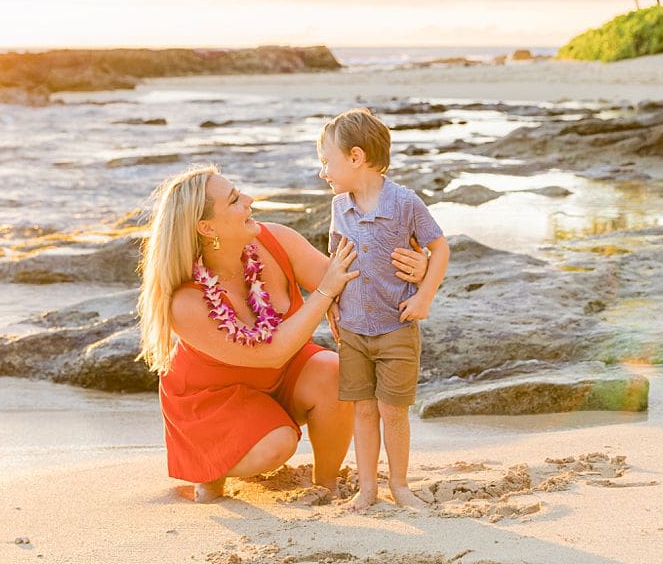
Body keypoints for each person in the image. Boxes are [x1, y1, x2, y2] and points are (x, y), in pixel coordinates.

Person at [137, 164, 429, 502]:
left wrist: (419, 269)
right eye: (234, 200)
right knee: (278, 444)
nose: (249, 199)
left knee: (336, 372)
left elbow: (355, 280)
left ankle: (327, 484)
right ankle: (210, 468)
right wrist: (323, 295)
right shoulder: (185, 301)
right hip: (214, 398)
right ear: (206, 227)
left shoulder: (274, 240)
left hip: (284, 372)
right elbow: (272, 351)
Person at [317, 108, 450, 511]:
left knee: (394, 411)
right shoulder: (340, 207)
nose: (323, 171)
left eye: (327, 161)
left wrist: (424, 295)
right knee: (362, 410)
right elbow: (335, 261)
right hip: (353, 330)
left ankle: (400, 484)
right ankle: (368, 488)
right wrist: (331, 307)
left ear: (355, 157)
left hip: (397, 326)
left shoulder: (406, 203)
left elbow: (439, 247)